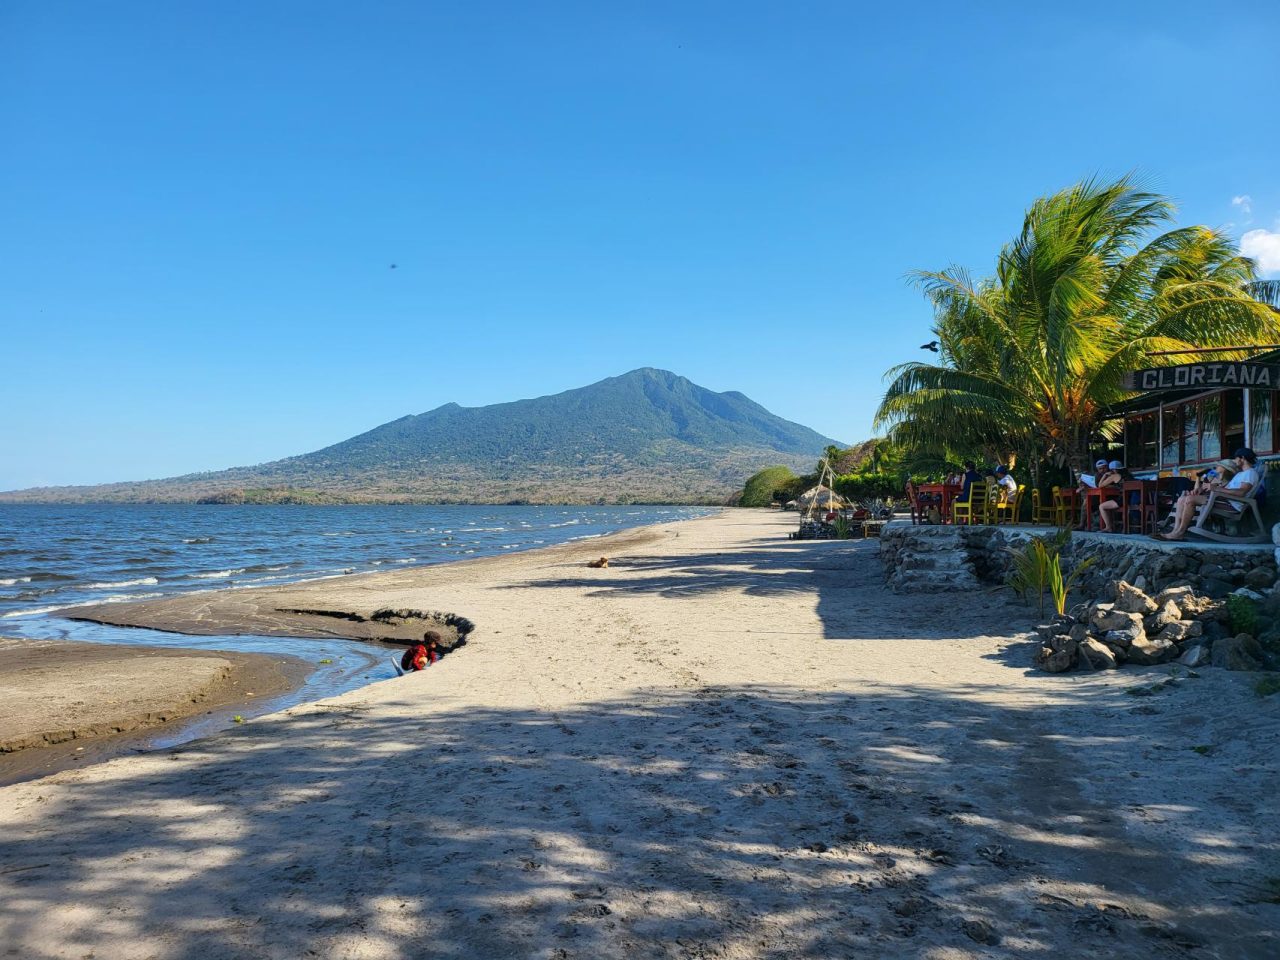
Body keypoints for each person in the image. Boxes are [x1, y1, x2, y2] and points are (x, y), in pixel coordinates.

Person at [1153, 453, 1253, 541]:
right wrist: (1200, 485)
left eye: (1219, 465)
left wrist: (1215, 488)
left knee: (1189, 500)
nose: (1217, 466)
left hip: (1227, 503)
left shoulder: (1243, 475)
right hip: (1218, 498)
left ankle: (1180, 532)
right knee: (1181, 499)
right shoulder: (1218, 474)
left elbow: (1239, 492)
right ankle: (1175, 530)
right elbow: (1206, 484)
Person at [1097, 461, 1133, 532]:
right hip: (1132, 498)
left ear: (1112, 470)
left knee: (1102, 506)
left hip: (1124, 499)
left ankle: (1108, 527)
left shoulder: (1114, 476)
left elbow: (1100, 485)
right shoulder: (1129, 475)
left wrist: (1105, 475)